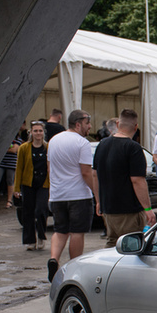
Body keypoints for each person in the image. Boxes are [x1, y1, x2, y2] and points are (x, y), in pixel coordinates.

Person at [92, 109, 157, 248]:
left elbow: (94, 175)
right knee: (131, 246)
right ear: (135, 127)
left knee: (111, 243)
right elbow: (137, 180)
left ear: (117, 123)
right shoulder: (133, 148)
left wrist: (99, 201)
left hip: (108, 208)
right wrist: (148, 209)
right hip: (128, 210)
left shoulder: (102, 145)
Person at [46, 109, 95, 282]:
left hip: (58, 195)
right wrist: (97, 193)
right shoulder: (82, 143)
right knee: (77, 232)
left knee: (60, 230)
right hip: (78, 195)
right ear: (78, 124)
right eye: (87, 123)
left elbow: (49, 168)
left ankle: (54, 259)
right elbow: (86, 173)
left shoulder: (53, 140)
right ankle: (74, 265)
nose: (90, 126)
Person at [13, 121, 49, 250]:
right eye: (35, 131)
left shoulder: (48, 147)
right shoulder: (24, 148)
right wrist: (16, 188)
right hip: (28, 183)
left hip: (43, 184)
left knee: (40, 210)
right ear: (31, 132)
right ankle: (30, 241)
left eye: (40, 131)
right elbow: (19, 169)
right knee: (27, 212)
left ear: (43, 133)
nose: (38, 133)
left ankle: (41, 236)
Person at [0, 132, 23, 208]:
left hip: (11, 162)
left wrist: (3, 149)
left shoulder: (18, 140)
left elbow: (14, 150)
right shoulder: (3, 138)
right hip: (1, 162)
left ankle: (9, 200)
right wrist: (8, 148)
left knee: (10, 180)